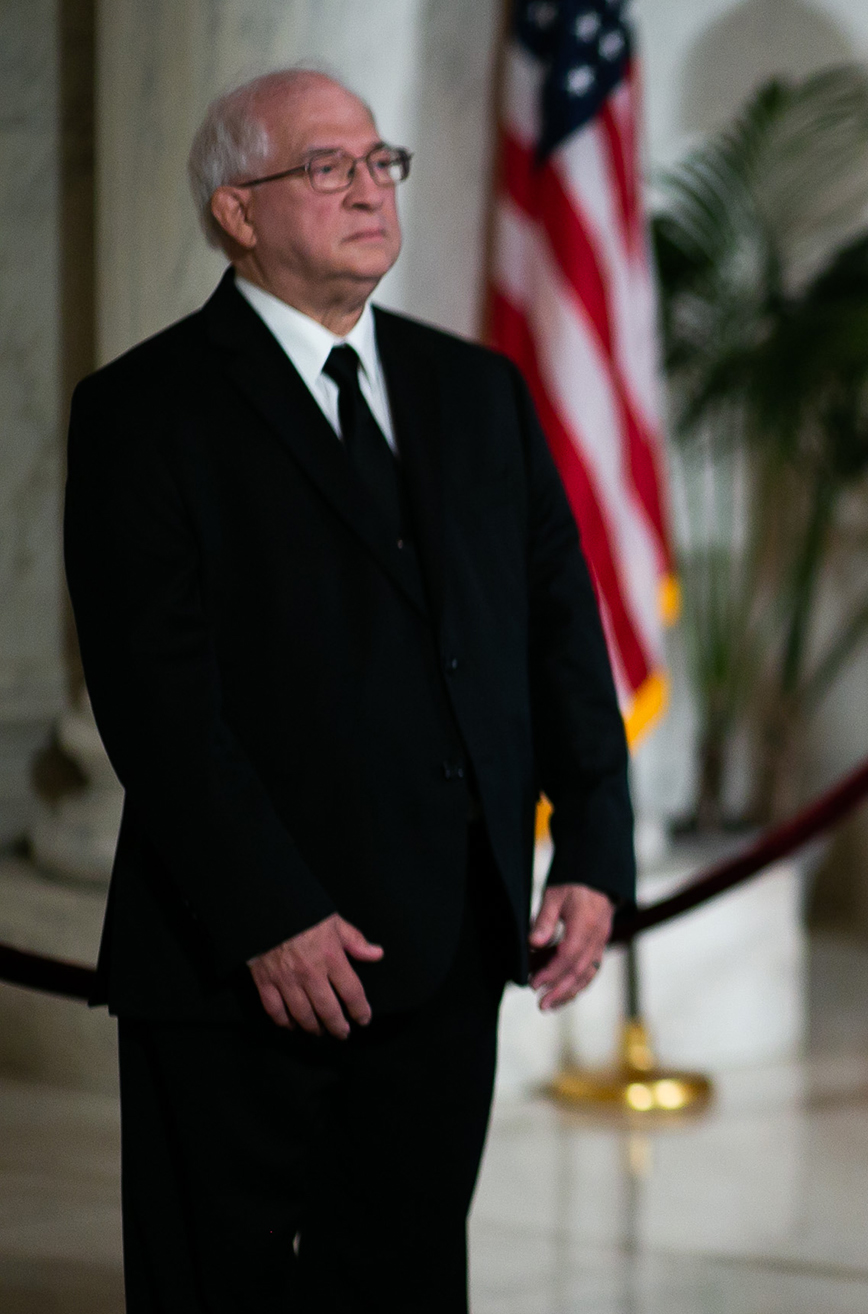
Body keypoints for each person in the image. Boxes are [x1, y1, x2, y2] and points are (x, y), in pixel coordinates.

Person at [63, 69, 633, 1310]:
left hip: (448, 955)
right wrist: (267, 909)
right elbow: (152, 696)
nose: (370, 187)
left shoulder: (476, 392)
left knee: (408, 1284)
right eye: (327, 167)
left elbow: (557, 634)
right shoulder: (140, 413)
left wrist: (592, 845)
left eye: (381, 161)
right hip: (240, 967)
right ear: (237, 212)